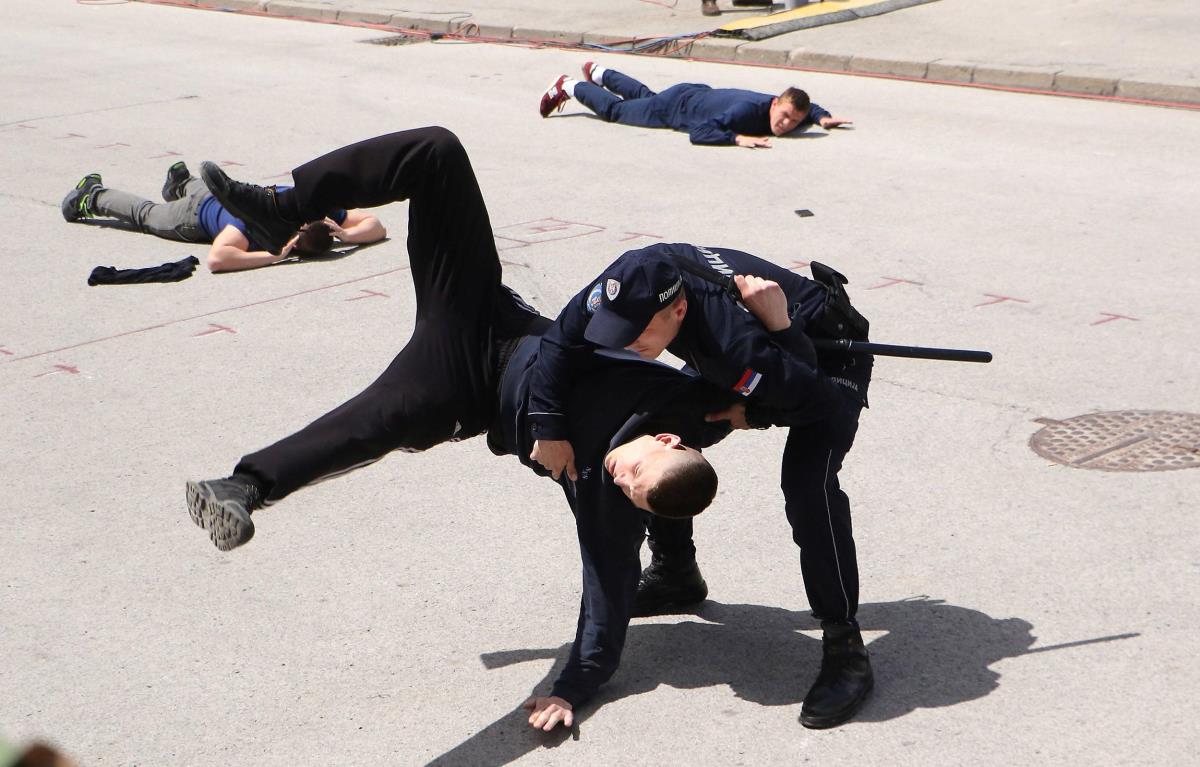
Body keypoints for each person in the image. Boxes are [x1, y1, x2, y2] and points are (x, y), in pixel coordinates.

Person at [183, 127, 777, 731]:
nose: (621, 476)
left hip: (464, 386)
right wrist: (778, 324)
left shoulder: (607, 494)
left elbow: (608, 592)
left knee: (373, 422)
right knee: (437, 153)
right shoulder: (692, 409)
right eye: (637, 471)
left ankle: (244, 487)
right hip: (493, 315)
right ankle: (285, 205)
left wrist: (571, 688)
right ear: (667, 440)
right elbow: (776, 386)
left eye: (630, 490)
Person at [524, 241, 876, 729]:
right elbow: (563, 339)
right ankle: (676, 574)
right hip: (764, 350)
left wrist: (754, 410)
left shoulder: (733, 347)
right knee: (666, 430)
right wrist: (548, 426)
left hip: (823, 363)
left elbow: (810, 398)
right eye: (618, 330)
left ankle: (846, 644)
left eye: (639, 333)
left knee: (807, 487)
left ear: (679, 309)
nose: (625, 342)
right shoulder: (634, 278)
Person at [60, 162, 386, 272]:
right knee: (147, 215)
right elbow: (218, 258)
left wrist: (347, 235)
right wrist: (274, 256)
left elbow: (375, 226)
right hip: (194, 216)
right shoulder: (254, 227)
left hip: (215, 194)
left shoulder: (311, 206)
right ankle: (91, 196)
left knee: (205, 189)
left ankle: (181, 183)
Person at [538, 63, 851, 147]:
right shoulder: (744, 113)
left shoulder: (780, 104)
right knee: (616, 112)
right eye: (784, 117)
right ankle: (569, 85)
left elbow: (805, 107)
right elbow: (699, 133)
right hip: (675, 110)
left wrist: (822, 118)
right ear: (775, 104)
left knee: (645, 96)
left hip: (689, 95)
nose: (786, 125)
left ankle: (600, 72)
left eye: (794, 122)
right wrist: (736, 138)